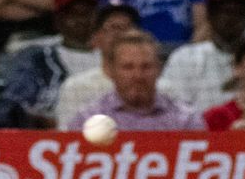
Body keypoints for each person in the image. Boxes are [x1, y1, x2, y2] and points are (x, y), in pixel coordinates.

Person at [2, 0, 102, 126]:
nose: (81, 20)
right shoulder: (36, 58)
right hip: (51, 139)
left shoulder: (114, 58)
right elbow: (14, 106)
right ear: (58, 19)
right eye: (73, 14)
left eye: (86, 13)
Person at [67, 28, 205, 130]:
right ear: (111, 71)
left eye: (146, 66)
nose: (138, 76)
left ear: (159, 69)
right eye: (128, 67)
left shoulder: (186, 121)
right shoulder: (87, 120)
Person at [159, 0, 245, 112]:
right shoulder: (184, 57)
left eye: (238, 12)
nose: (231, 18)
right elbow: (172, 109)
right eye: (225, 11)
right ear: (210, 16)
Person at [54, 0, 141, 126]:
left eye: (126, 28)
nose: (120, 35)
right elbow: (67, 138)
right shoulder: (76, 88)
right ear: (96, 38)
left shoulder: (161, 88)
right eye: (113, 28)